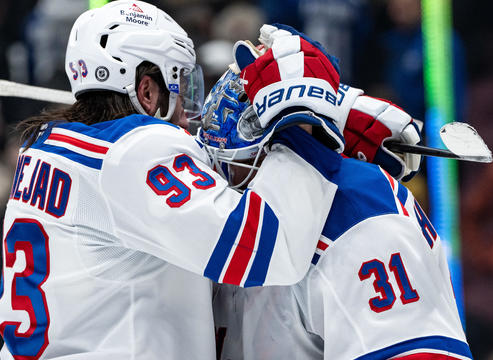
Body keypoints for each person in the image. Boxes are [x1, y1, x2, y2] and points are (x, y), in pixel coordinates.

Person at [0, 2, 351, 359]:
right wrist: (306, 127)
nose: (187, 111)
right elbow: (267, 250)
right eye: (181, 84)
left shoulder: (42, 150)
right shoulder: (137, 148)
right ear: (147, 91)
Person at [200, 58, 472, 359]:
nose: (219, 179)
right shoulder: (238, 228)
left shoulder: (361, 211)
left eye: (228, 165)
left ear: (272, 150)